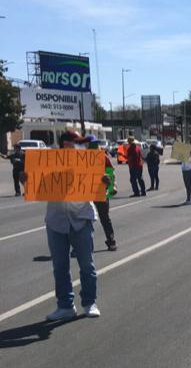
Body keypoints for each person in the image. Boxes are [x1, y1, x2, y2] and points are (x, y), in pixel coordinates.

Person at [22, 130, 108, 320]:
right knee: (60, 267)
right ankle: (65, 306)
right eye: (70, 142)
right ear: (63, 144)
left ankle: (89, 302)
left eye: (77, 142)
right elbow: (37, 186)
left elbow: (104, 184)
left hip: (81, 218)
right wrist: (26, 181)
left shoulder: (88, 161)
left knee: (87, 265)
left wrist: (105, 182)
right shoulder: (49, 162)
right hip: (56, 221)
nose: (74, 146)